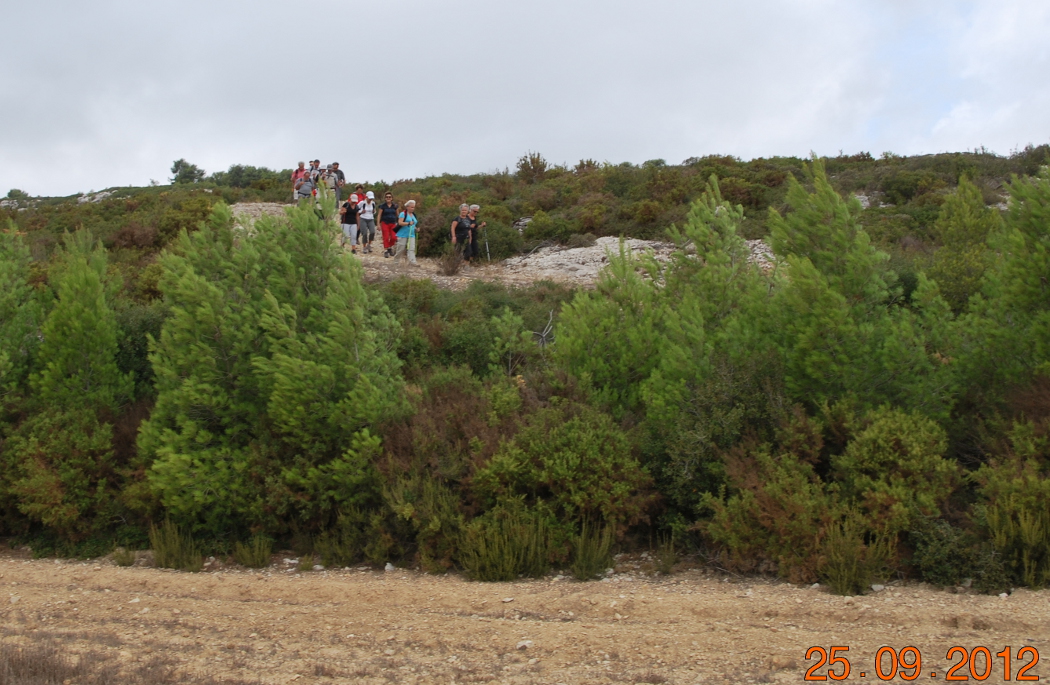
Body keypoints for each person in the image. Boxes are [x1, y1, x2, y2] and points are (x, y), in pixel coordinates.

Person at [393, 200, 420, 266]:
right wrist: (408, 223)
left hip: (411, 234)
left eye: (413, 207)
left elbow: (414, 224)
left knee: (411, 248)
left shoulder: (414, 215)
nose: (413, 209)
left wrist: (416, 229)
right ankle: (396, 261)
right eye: (411, 207)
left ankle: (412, 262)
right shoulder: (403, 214)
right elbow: (400, 222)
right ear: (407, 207)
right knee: (401, 248)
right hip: (403, 234)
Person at [377, 191, 399, 258]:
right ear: (385, 198)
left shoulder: (395, 206)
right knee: (386, 237)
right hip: (385, 223)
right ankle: (386, 250)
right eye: (387, 197)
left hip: (393, 223)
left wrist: (399, 224)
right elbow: (379, 215)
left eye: (389, 197)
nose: (388, 198)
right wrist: (378, 224)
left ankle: (389, 247)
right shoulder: (382, 206)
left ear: (392, 198)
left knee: (394, 237)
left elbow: (398, 215)